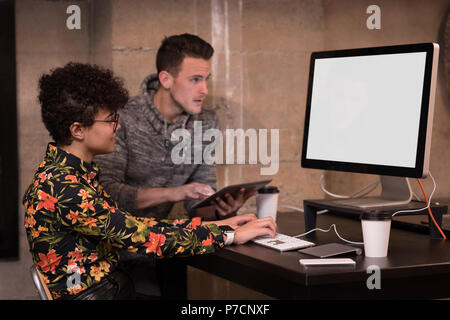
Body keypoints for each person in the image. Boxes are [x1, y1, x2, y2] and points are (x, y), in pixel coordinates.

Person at [23, 62, 276, 300]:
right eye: (111, 119)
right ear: (78, 130)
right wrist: (230, 235)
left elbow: (133, 226)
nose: (118, 127)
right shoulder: (65, 188)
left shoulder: (69, 174)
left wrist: (224, 225)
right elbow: (145, 236)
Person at [95, 33, 256, 221]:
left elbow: (198, 203)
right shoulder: (123, 117)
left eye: (206, 79)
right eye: (195, 79)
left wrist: (220, 210)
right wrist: (174, 193)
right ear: (166, 80)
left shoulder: (206, 122)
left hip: (165, 240)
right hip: (114, 238)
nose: (204, 89)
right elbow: (106, 192)